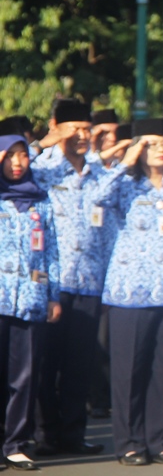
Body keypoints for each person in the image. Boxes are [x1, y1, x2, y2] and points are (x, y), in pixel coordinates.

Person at [91, 119, 163, 466]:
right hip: (131, 293)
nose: (161, 148)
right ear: (139, 149)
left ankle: (158, 442)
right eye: (152, 143)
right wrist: (126, 161)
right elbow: (96, 198)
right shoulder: (125, 185)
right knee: (129, 372)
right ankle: (128, 443)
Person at [29, 100, 108, 458]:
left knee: (79, 365)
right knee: (46, 364)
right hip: (51, 285)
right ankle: (46, 434)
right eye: (72, 128)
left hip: (90, 281)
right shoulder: (40, 168)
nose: (81, 136)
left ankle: (74, 434)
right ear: (56, 127)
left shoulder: (99, 171)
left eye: (85, 129)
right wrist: (42, 143)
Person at [0, 130, 61, 471]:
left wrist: (53, 296)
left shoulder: (41, 201)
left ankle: (16, 443)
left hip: (31, 299)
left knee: (24, 376)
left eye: (23, 156)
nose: (18, 163)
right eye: (10, 156)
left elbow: (52, 252)